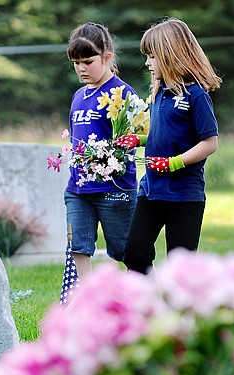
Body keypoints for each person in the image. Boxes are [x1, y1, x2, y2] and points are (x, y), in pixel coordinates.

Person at [115, 17, 222, 274]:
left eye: (152, 57)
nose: (147, 63)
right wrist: (138, 140)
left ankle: (178, 311)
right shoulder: (159, 92)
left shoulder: (196, 96)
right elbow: (161, 135)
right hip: (151, 191)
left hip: (184, 195)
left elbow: (210, 143)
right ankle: (150, 304)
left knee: (180, 270)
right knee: (134, 253)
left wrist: (174, 163)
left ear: (170, 55)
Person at [64, 22, 138, 279]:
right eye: (76, 62)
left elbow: (138, 137)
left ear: (107, 57)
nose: (81, 68)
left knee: (126, 251)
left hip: (113, 188)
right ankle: (87, 302)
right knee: (79, 247)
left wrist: (111, 154)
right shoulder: (78, 96)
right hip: (78, 189)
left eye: (88, 61)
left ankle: (148, 300)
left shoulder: (122, 93)